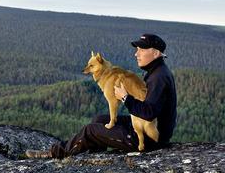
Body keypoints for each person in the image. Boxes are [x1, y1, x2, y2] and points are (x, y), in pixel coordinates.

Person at [26, 34, 177, 159]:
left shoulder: (158, 78)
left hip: (148, 139)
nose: (136, 54)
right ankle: (93, 153)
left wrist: (125, 97)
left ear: (156, 53)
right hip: (144, 129)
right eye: (137, 49)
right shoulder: (155, 71)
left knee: (90, 130)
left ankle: (55, 153)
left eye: (141, 50)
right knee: (100, 120)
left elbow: (149, 113)